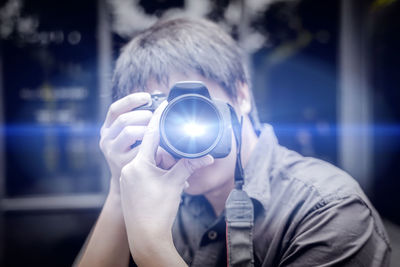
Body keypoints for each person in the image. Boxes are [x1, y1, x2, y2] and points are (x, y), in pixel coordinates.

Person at [75, 18, 391, 267]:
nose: (178, 130)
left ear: (241, 96)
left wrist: (152, 248)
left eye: (194, 107)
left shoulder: (327, 209)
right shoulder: (158, 197)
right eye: (162, 114)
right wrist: (119, 188)